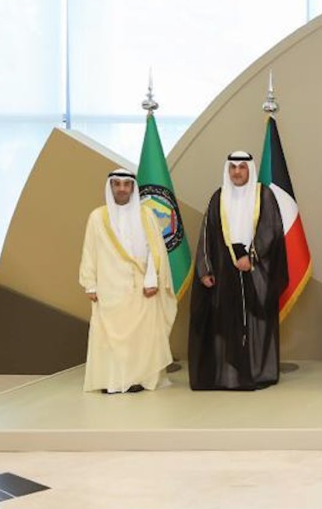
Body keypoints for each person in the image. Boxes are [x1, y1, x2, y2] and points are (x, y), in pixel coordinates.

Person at [189, 151, 288, 391]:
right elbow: (206, 234)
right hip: (224, 272)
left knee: (257, 323)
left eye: (242, 167)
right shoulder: (218, 197)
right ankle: (228, 376)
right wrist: (205, 269)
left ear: (249, 170)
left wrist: (250, 256)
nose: (237, 172)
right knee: (224, 322)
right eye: (233, 168)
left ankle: (257, 372)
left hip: (257, 270)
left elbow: (271, 229)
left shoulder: (263, 195)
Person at [79, 169, 177, 393]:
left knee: (140, 338)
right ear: (111, 187)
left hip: (141, 287)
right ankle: (112, 381)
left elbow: (156, 251)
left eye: (126, 184)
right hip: (109, 287)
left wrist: (152, 279)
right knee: (109, 339)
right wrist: (90, 284)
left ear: (133, 188)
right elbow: (89, 251)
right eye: (117, 184)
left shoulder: (146, 215)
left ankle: (138, 379)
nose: (122, 188)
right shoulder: (97, 217)